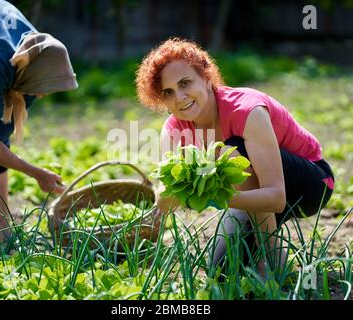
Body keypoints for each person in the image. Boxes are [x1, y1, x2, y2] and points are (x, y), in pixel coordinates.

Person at [135, 38, 334, 276]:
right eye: (168, 92)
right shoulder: (174, 129)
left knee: (234, 149)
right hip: (248, 191)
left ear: (207, 79)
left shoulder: (247, 111)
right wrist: (165, 197)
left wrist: (215, 197)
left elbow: (276, 198)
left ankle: (271, 260)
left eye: (185, 83)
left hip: (309, 183)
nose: (179, 97)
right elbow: (165, 198)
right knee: (222, 271)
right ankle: (263, 253)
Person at [0, 0, 78, 246]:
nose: (41, 96)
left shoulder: (33, 57)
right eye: (42, 90)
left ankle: (4, 241)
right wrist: (37, 174)